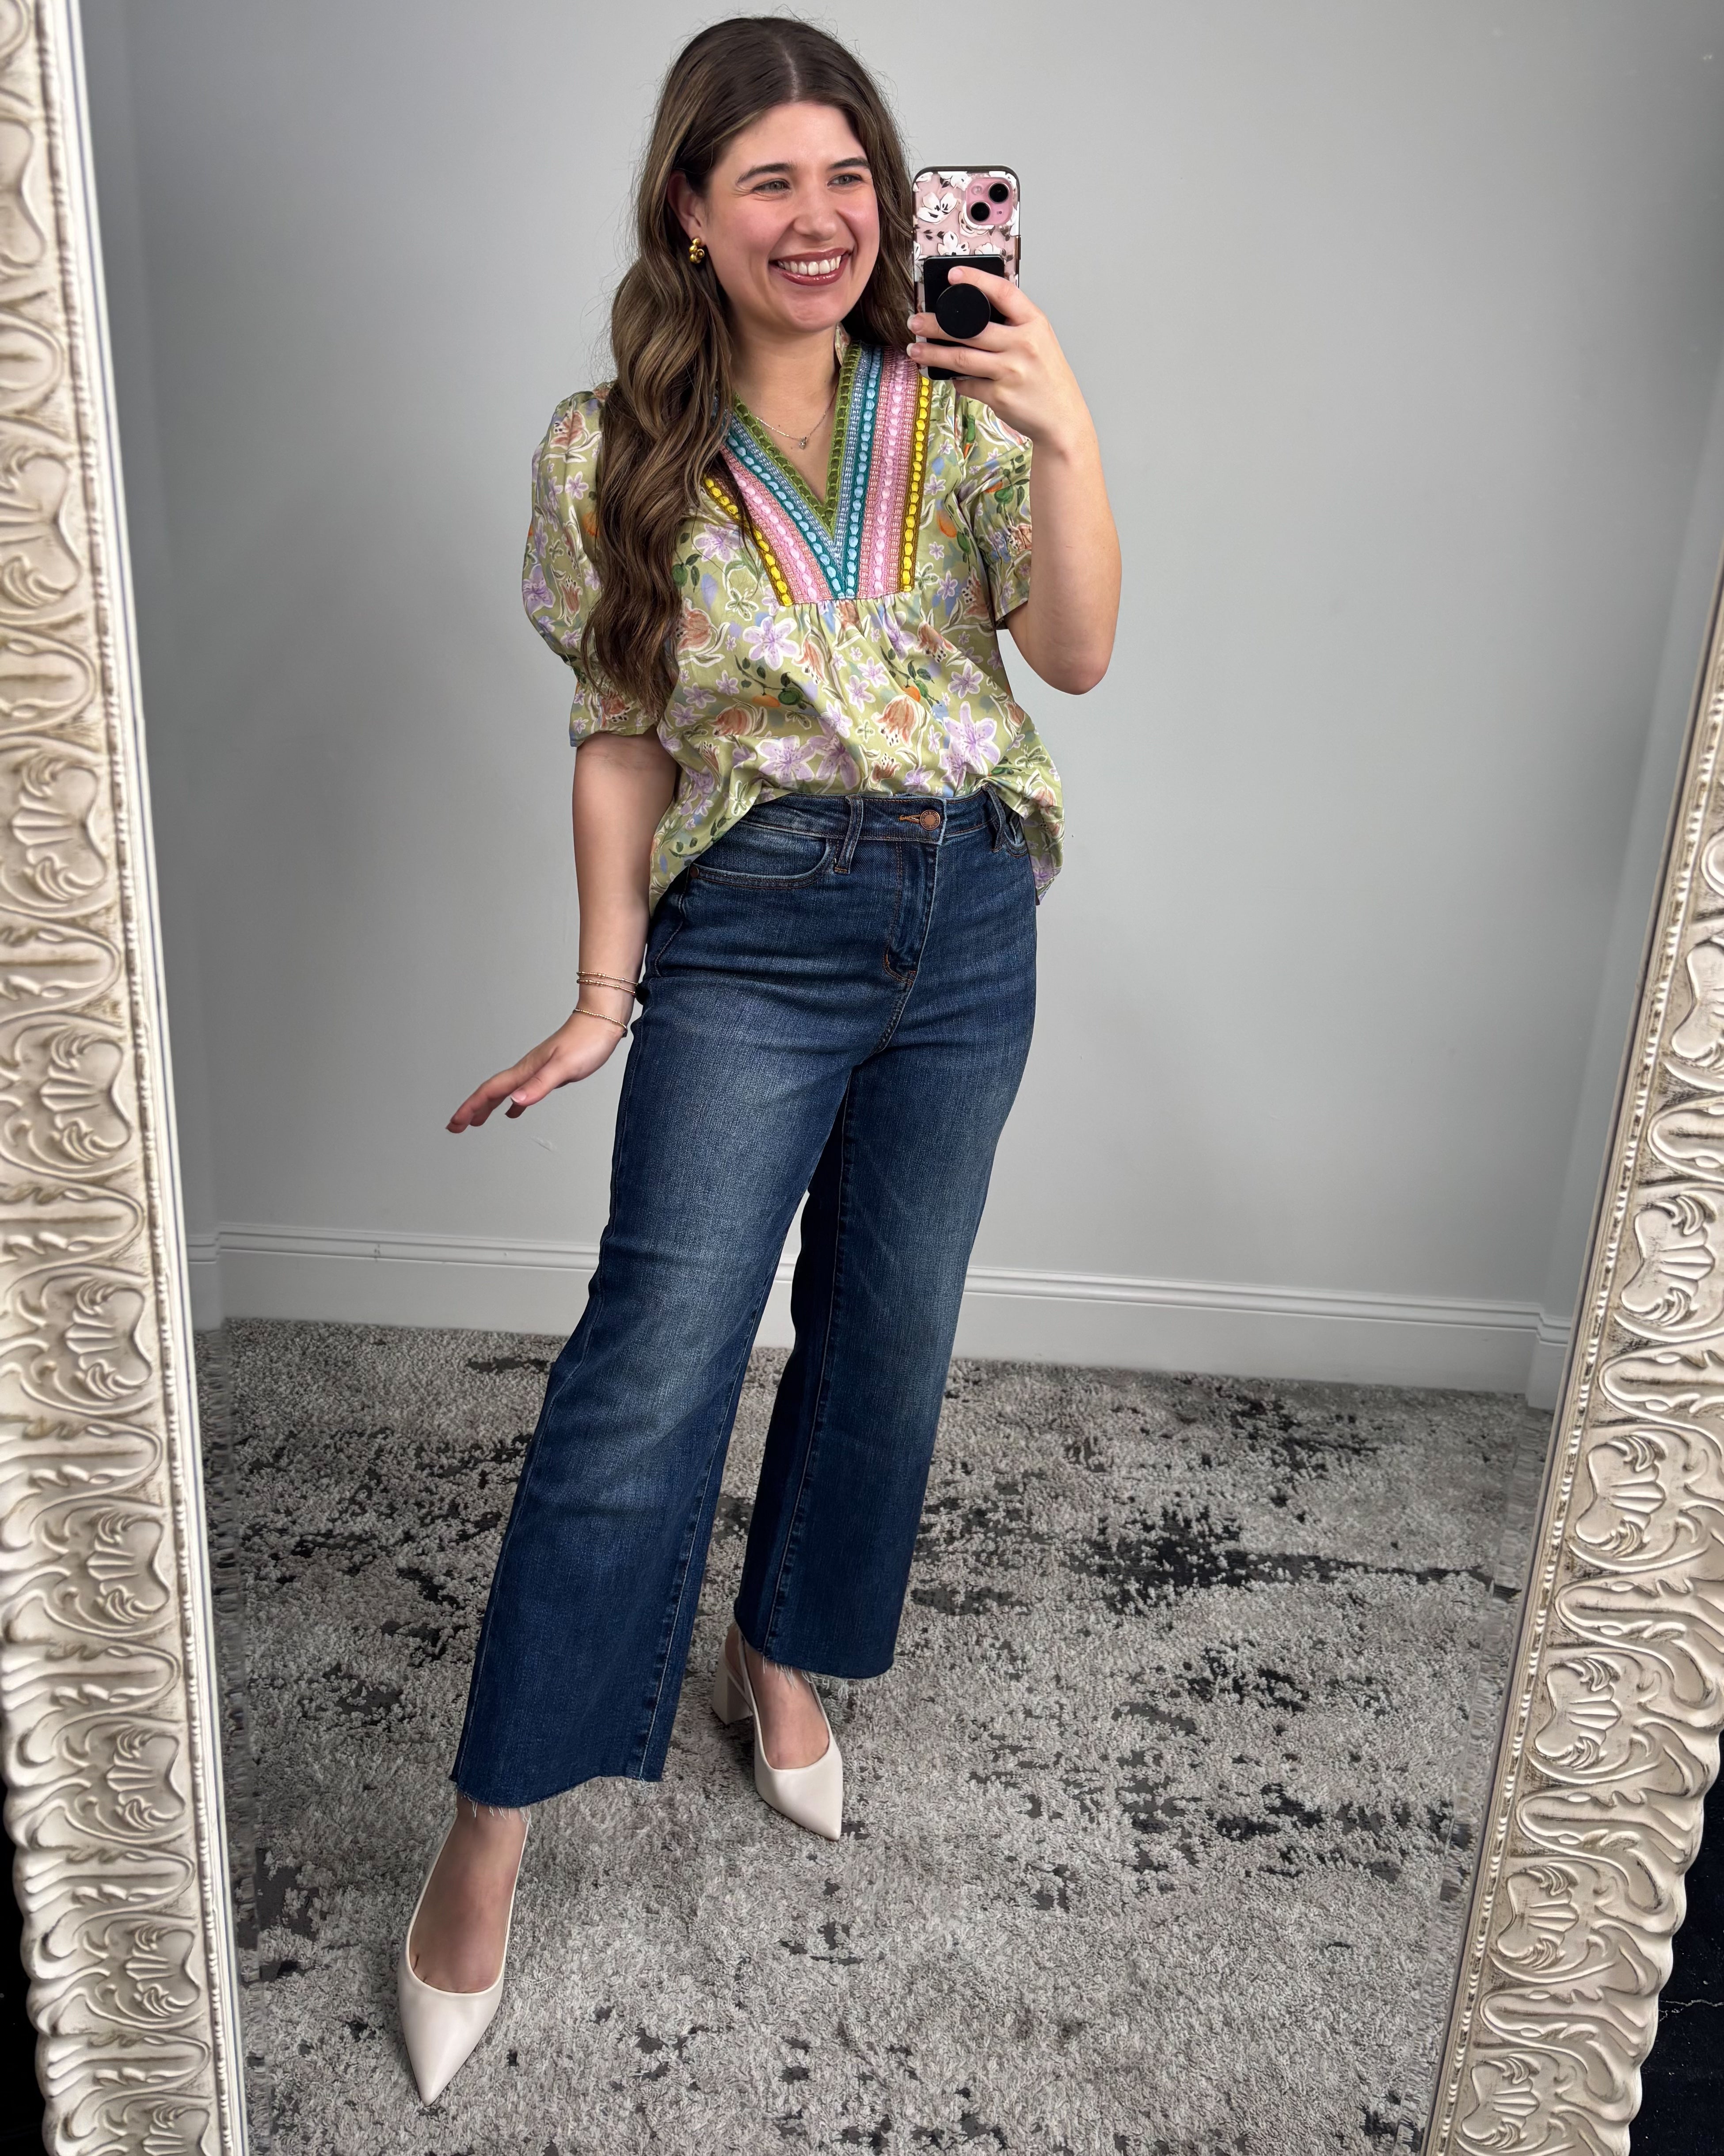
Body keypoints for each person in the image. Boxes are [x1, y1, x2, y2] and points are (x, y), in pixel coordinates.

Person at [396, 13, 1119, 2103]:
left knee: (889, 1330)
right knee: (650, 1366)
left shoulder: (960, 402)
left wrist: (1067, 425)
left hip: (968, 914)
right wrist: (602, 989)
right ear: (692, 214)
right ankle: (485, 1834)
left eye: (849, 175)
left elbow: (1074, 656)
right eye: (769, 181)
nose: (821, 217)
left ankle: (780, 1645)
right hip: (759, 922)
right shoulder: (608, 445)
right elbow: (622, 732)